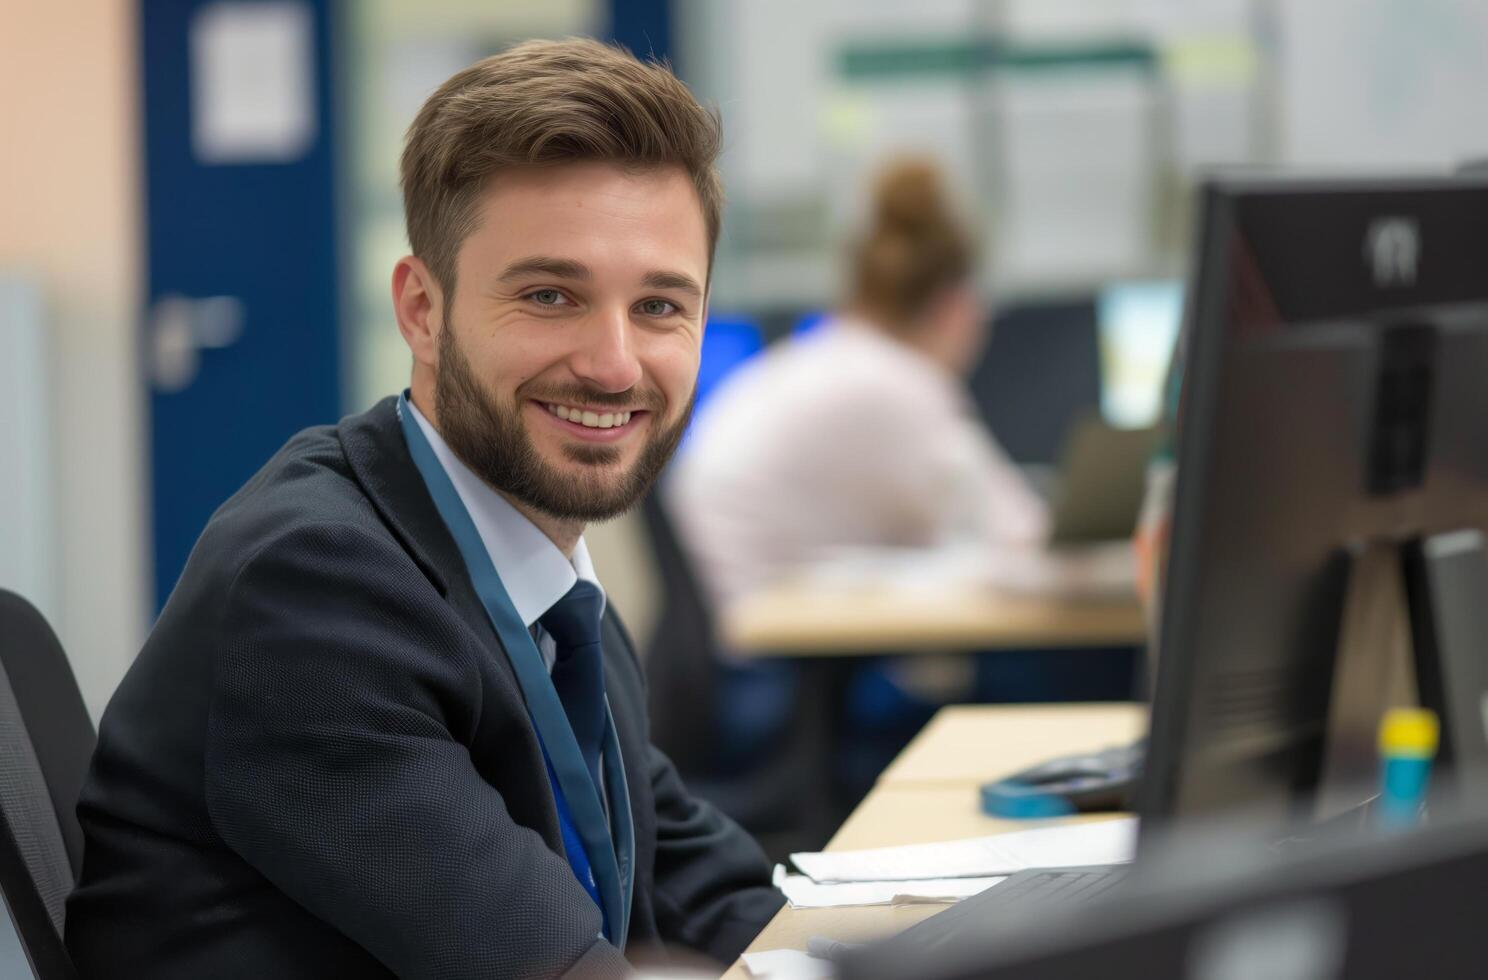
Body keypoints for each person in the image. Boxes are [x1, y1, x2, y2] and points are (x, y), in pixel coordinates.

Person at [65, 38, 783, 979]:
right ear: (422, 309)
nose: (615, 365)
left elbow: (713, 896)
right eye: (550, 294)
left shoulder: (552, 595)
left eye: (659, 307)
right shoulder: (316, 592)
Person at [670, 158, 1048, 611]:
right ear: (955, 304)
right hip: (772, 657)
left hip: (735, 636)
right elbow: (1021, 534)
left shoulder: (829, 361)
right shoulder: (896, 384)